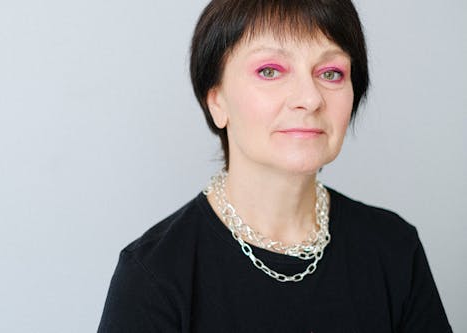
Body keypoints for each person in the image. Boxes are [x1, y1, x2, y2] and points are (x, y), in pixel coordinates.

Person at [98, 0, 452, 332]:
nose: (310, 98)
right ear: (216, 101)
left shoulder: (393, 248)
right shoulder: (154, 275)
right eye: (270, 70)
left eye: (330, 73)